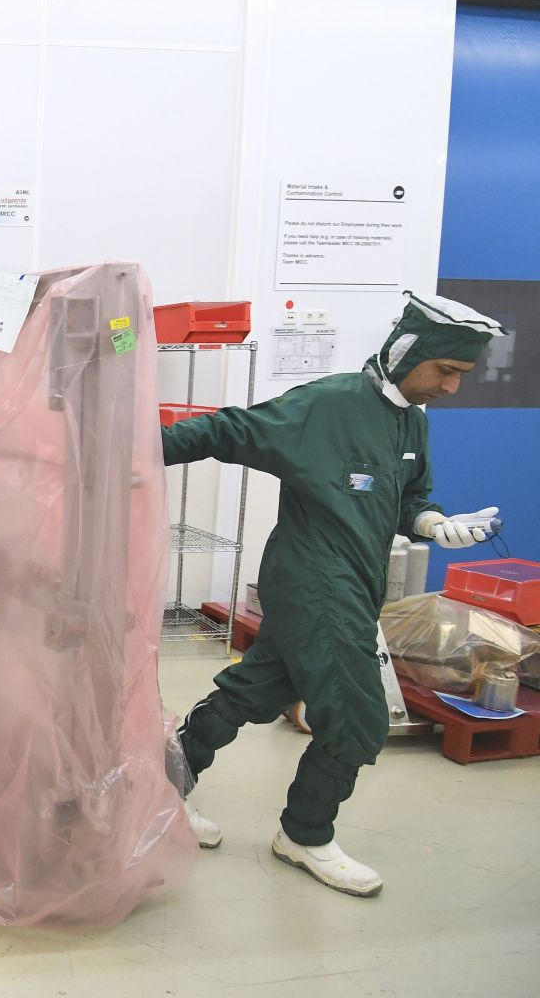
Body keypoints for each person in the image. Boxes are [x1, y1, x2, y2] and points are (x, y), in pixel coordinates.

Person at [163, 291, 506, 896]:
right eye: (446, 371)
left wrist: (433, 524)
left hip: (355, 582)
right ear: (407, 353)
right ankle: (305, 834)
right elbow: (226, 430)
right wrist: (121, 451)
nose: (452, 388)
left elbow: (409, 500)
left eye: (462, 375)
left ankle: (159, 795)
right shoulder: (327, 405)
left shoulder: (412, 421)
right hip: (312, 581)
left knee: (255, 687)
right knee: (357, 718)